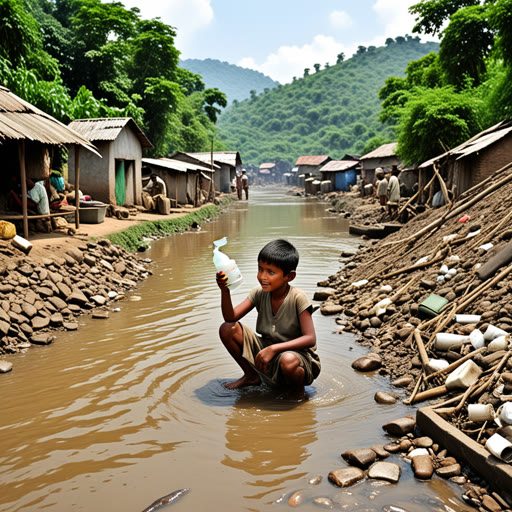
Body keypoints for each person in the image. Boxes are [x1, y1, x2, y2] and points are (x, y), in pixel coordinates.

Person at [216, 239, 321, 397]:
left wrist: (274, 349)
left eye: (271, 272)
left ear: (289, 276)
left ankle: (298, 394)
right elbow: (230, 317)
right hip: (267, 350)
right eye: (260, 269)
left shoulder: (298, 297)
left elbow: (310, 338)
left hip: (297, 356)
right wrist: (225, 291)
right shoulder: (259, 293)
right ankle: (251, 376)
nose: (262, 276)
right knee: (227, 328)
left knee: (288, 359)